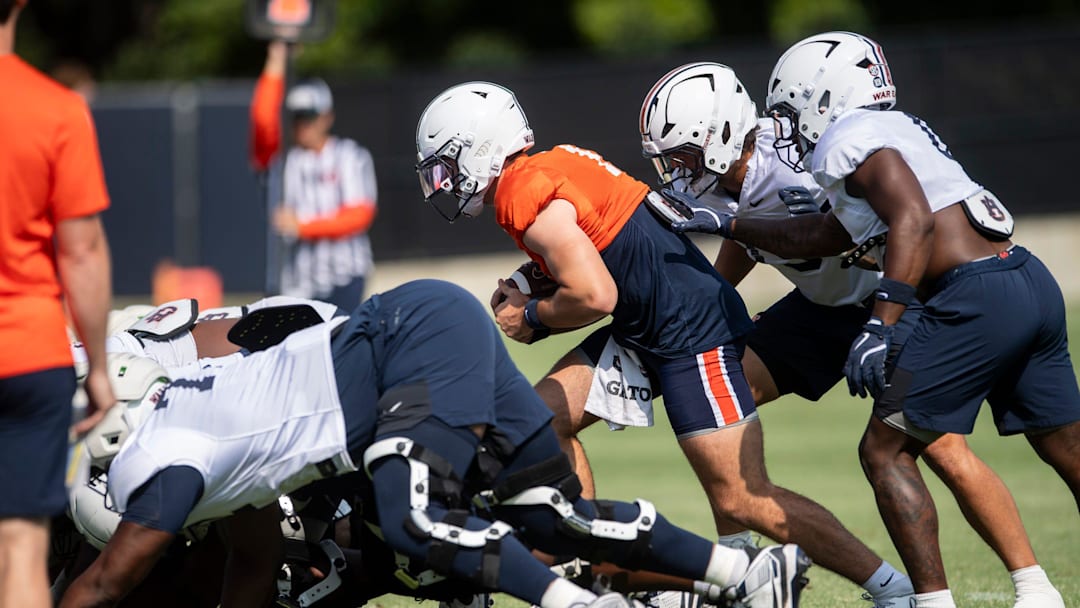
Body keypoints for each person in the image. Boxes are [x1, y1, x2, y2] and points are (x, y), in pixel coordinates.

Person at [414, 82, 909, 606]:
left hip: (688, 334)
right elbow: (594, 248)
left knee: (743, 498)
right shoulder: (551, 165)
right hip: (646, 325)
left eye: (446, 167)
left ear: (479, 149)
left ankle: (890, 587)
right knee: (542, 420)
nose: (444, 183)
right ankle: (585, 562)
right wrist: (529, 280)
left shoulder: (522, 193)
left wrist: (531, 316)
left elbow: (595, 294)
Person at [60, 279, 810, 608]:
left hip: (404, 348)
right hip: (423, 329)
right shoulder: (187, 410)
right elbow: (252, 559)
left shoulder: (161, 463)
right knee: (548, 518)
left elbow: (105, 585)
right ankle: (745, 572)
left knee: (414, 519)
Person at [671, 31, 1080, 608]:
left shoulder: (847, 136)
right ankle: (1037, 592)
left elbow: (912, 219)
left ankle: (938, 600)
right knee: (1065, 447)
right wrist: (730, 225)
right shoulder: (899, 126)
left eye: (788, 109)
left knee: (888, 450)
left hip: (962, 299)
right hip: (1025, 277)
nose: (784, 125)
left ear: (822, 96)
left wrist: (881, 323)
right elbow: (830, 234)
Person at [0, 1, 117, 606]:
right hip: (29, 355)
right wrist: (98, 369)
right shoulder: (57, 108)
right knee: (21, 547)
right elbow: (83, 252)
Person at [250, 40, 378, 310]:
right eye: (296, 118)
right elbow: (263, 119)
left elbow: (359, 214)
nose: (303, 125)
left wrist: (302, 226)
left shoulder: (350, 155)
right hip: (295, 281)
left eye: (309, 117)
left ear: (326, 117)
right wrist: (277, 61)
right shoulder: (282, 160)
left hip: (343, 276)